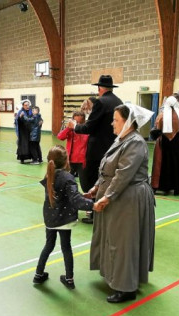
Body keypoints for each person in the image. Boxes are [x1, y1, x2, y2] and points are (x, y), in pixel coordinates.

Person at [87, 104, 155, 303]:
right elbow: (107, 168)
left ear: (128, 122)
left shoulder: (135, 143)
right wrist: (96, 187)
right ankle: (118, 277)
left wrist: (107, 196)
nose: (112, 123)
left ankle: (126, 288)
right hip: (119, 195)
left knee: (123, 242)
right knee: (114, 239)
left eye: (116, 120)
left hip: (128, 197)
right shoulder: (122, 139)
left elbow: (123, 174)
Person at [33, 145, 95, 289]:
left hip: (50, 217)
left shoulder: (49, 174)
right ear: (66, 161)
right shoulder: (68, 177)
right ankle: (69, 278)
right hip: (64, 219)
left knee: (48, 245)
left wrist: (80, 195)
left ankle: (38, 274)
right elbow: (76, 201)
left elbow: (71, 196)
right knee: (66, 247)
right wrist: (93, 204)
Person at [67, 75, 123, 224]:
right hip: (113, 147)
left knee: (90, 181)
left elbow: (89, 127)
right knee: (108, 180)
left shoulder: (100, 102)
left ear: (99, 88)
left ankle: (93, 212)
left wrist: (75, 126)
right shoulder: (118, 101)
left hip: (97, 150)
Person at [150, 95, 179, 195]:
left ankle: (163, 186)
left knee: (163, 164)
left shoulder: (162, 116)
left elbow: (156, 130)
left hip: (164, 143)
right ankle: (177, 188)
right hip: (177, 143)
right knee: (177, 164)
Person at [57, 111, 89, 182]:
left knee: (84, 182)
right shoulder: (70, 131)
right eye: (76, 122)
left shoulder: (86, 131)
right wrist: (68, 128)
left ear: (84, 121)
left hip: (82, 161)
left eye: (80, 122)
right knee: (66, 181)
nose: (78, 124)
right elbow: (60, 137)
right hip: (70, 160)